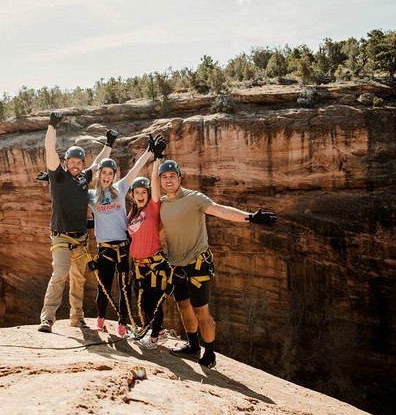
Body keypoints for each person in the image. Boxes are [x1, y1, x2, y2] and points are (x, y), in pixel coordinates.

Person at [156, 158, 277, 367]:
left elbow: (220, 210)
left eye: (172, 176)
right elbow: (155, 231)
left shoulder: (195, 199)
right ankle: (193, 346)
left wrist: (250, 217)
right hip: (176, 266)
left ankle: (209, 353)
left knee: (202, 312)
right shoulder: (163, 204)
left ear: (179, 178)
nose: (168, 180)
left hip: (196, 264)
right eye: (164, 177)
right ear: (159, 180)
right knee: (183, 306)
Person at [37, 111, 116, 333]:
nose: (76, 165)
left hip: (81, 239)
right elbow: (49, 150)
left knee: (79, 280)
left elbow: (99, 163)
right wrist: (52, 125)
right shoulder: (58, 176)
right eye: (72, 161)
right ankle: (48, 318)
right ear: (66, 162)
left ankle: (76, 318)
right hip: (61, 236)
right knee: (60, 273)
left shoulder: (83, 178)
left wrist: (108, 144)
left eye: (79, 162)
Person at [88, 137, 154, 337]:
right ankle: (100, 320)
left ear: (114, 175)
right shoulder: (91, 195)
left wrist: (150, 152)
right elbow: (72, 192)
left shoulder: (120, 188)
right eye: (104, 173)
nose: (107, 176)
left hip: (124, 247)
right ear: (98, 174)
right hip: (105, 248)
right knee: (104, 286)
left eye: (110, 173)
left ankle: (122, 324)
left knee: (124, 288)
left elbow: (135, 169)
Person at [127, 136, 173, 349]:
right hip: (138, 266)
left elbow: (155, 182)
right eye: (136, 193)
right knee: (144, 303)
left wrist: (157, 159)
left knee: (154, 303)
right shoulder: (132, 215)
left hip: (154, 264)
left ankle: (153, 339)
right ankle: (160, 332)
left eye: (143, 193)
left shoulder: (153, 209)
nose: (140, 195)